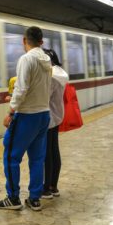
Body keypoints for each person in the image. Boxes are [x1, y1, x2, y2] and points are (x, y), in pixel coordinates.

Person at [0, 26, 52, 211]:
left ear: (24, 40)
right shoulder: (47, 60)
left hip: (27, 115)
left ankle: (13, 198)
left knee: (11, 156)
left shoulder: (26, 59)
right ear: (41, 41)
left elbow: (21, 89)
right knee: (37, 159)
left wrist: (11, 112)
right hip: (44, 114)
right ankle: (35, 198)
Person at [42, 49, 69, 199]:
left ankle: (46, 188)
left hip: (48, 117)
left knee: (47, 154)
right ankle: (54, 186)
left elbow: (44, 97)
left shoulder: (51, 76)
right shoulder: (60, 72)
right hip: (57, 115)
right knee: (54, 151)